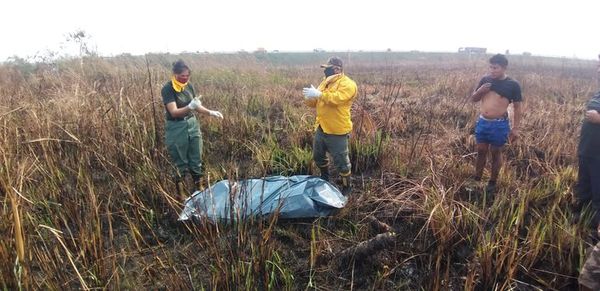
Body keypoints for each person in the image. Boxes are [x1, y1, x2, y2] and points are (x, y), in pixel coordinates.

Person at [161, 60, 223, 198]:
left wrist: (210, 112)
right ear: (175, 74)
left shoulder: (189, 86)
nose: (185, 78)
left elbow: (196, 106)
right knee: (180, 162)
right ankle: (181, 195)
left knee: (196, 158)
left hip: (192, 124)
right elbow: (174, 112)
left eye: (188, 75)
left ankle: (199, 188)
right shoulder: (168, 88)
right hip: (176, 126)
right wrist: (190, 107)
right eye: (182, 75)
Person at [302, 57, 358, 195]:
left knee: (342, 162)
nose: (325, 71)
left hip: (337, 130)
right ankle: (325, 177)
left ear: (337, 69)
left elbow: (336, 99)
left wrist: (320, 94)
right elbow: (314, 103)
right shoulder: (324, 83)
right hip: (321, 127)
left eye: (328, 68)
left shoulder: (348, 84)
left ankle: (347, 187)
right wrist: (310, 97)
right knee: (318, 155)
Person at [469, 54, 523, 194]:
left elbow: (517, 107)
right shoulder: (485, 80)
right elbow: (473, 98)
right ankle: (477, 179)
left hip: (499, 125)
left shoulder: (512, 84)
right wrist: (480, 91)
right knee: (481, 150)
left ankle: (492, 182)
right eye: (491, 67)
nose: (492, 70)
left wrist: (516, 128)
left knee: (495, 152)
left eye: (496, 68)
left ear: (504, 68)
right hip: (483, 122)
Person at [574, 55, 600, 233]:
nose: (598, 70)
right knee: (584, 186)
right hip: (587, 149)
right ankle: (581, 216)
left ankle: (595, 229)